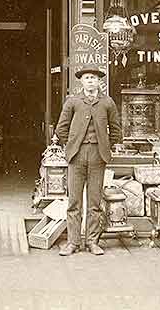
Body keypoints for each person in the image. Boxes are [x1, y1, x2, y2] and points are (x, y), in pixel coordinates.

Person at [54, 66, 122, 256]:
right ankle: (73, 242)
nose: (91, 81)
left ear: (99, 81)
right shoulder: (73, 102)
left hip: (98, 156)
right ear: (81, 81)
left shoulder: (107, 102)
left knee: (94, 201)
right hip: (76, 155)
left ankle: (92, 241)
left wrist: (109, 146)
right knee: (74, 201)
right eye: (87, 78)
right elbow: (61, 128)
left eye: (94, 78)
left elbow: (116, 129)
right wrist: (73, 144)